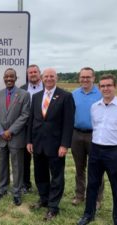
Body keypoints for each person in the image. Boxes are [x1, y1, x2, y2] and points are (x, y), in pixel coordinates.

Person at [77, 74, 117, 225]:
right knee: (92, 185)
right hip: (96, 149)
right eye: (102, 86)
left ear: (115, 87)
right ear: (99, 88)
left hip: (114, 152)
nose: (106, 88)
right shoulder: (95, 107)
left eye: (109, 85)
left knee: (116, 187)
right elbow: (96, 128)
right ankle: (88, 214)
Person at [27, 68, 75, 220]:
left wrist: (64, 145)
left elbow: (68, 123)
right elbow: (31, 120)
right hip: (38, 143)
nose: (48, 79)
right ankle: (44, 198)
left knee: (56, 176)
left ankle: (53, 207)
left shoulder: (66, 96)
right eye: (46, 76)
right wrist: (29, 140)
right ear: (42, 78)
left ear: (56, 78)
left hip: (56, 145)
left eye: (51, 76)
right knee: (40, 174)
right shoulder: (36, 96)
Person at [0, 68, 30, 206]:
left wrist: (11, 131)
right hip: (1, 137)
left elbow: (24, 115)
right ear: (3, 78)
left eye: (11, 76)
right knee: (2, 165)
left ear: (16, 78)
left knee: (17, 166)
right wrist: (2, 132)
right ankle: (2, 189)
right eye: (6, 76)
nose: (9, 79)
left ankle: (17, 192)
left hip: (16, 137)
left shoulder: (24, 95)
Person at [71, 67, 104, 208]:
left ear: (93, 78)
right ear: (79, 78)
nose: (85, 79)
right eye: (82, 77)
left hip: (95, 135)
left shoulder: (101, 93)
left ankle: (97, 198)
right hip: (76, 134)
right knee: (79, 168)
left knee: (96, 168)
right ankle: (79, 195)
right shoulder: (73, 94)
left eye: (88, 77)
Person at [20, 64, 43, 194]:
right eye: (30, 72)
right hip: (25, 128)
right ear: (27, 75)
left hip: (41, 130)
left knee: (41, 159)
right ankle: (25, 184)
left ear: (39, 73)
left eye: (35, 72)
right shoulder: (22, 89)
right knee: (25, 159)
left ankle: (42, 185)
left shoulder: (47, 88)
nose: (33, 74)